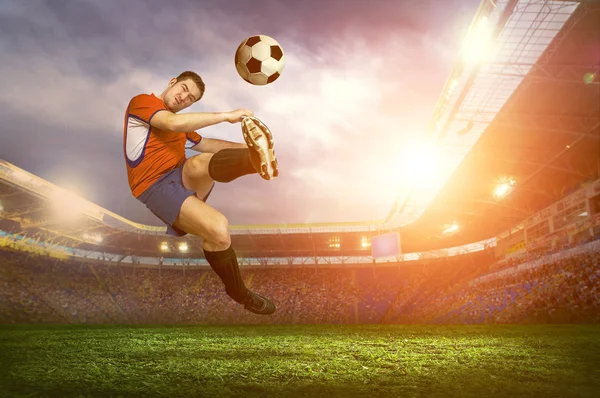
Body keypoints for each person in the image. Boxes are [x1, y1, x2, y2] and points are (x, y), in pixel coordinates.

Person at [123, 70, 277, 315]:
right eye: (183, 89)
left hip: (181, 175)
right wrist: (227, 116)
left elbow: (207, 144)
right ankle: (240, 293)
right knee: (219, 231)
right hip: (154, 187)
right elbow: (171, 123)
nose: (185, 98)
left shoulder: (182, 128)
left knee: (200, 161)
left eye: (191, 99)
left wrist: (256, 149)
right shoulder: (143, 102)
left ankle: (256, 162)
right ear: (172, 82)